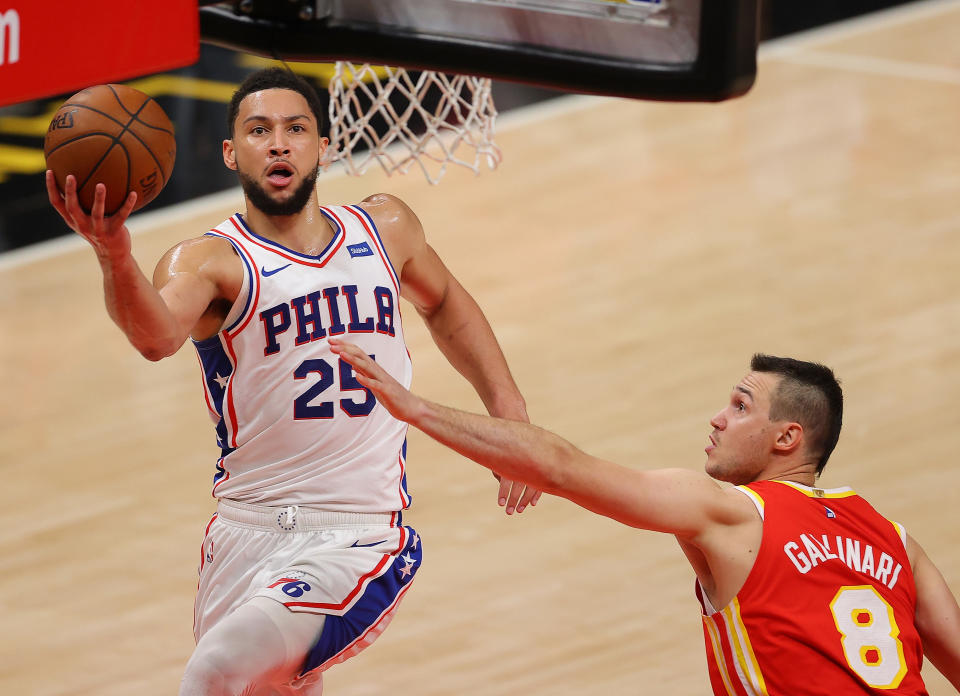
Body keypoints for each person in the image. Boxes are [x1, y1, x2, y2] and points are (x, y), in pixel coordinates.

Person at [45, 67, 540, 695]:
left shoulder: (383, 228)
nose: (278, 143)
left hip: (357, 534)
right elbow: (154, 337)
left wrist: (508, 413)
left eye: (295, 129)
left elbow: (446, 305)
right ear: (231, 153)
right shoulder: (208, 261)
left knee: (216, 671)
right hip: (244, 532)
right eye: (258, 130)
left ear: (323, 147)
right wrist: (113, 252)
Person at [329, 341, 960, 694]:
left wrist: (414, 409)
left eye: (740, 406)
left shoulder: (737, 515)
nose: (717, 417)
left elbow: (560, 465)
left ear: (787, 437)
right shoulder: (897, 543)